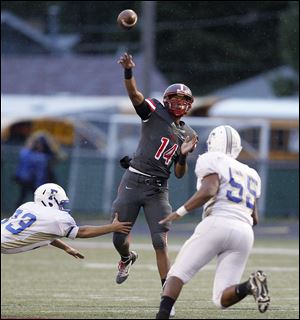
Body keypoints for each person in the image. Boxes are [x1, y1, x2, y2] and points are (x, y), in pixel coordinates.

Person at [112, 52, 198, 316]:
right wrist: (128, 71)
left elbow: (181, 174)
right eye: (175, 99)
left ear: (190, 104)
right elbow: (134, 95)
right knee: (118, 237)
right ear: (166, 101)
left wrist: (182, 155)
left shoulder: (190, 134)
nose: (179, 104)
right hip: (133, 180)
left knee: (160, 243)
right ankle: (126, 258)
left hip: (158, 189)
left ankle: (166, 301)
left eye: (184, 100)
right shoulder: (154, 112)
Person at [156, 125, 270, 319]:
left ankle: (163, 315)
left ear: (212, 144)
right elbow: (254, 218)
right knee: (220, 298)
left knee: (176, 274)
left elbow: (209, 189)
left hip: (217, 221)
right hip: (244, 232)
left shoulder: (210, 159)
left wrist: (181, 211)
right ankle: (250, 285)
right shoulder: (252, 173)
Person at [1, 183, 132, 257]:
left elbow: (43, 233)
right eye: (61, 202)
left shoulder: (28, 206)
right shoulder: (56, 218)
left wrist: (66, 247)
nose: (62, 206)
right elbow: (82, 232)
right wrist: (112, 227)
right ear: (51, 200)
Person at [14, 131, 66, 207]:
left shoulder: (46, 154)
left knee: (43, 196)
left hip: (42, 178)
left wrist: (50, 144)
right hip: (30, 179)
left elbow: (60, 156)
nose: (39, 145)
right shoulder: (30, 153)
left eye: (41, 144)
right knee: (25, 196)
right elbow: (25, 156)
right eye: (37, 143)